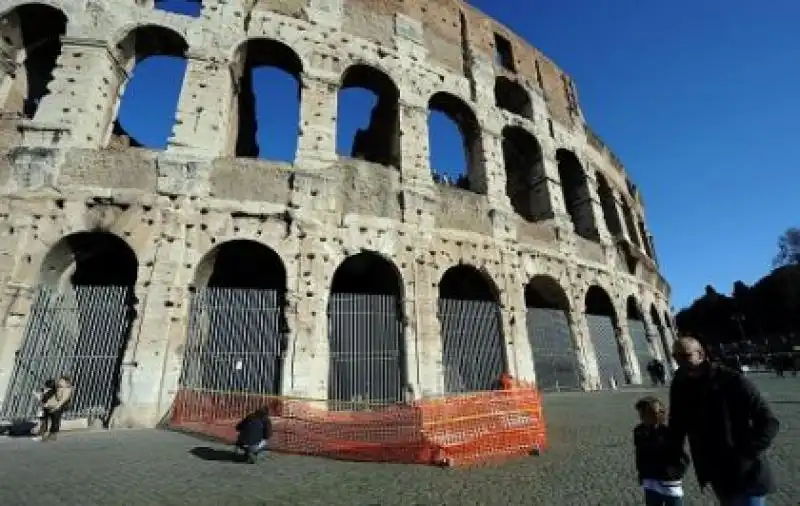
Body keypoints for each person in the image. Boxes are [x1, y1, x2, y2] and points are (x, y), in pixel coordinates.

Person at [668, 337, 780, 505]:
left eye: (685, 355)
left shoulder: (732, 380)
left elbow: (769, 421)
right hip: (716, 472)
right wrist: (674, 459)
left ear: (701, 354)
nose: (680, 361)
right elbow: (676, 424)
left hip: (745, 470)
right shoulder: (679, 384)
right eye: (676, 357)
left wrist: (748, 452)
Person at [633, 396, 689, 506]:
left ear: (656, 414)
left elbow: (683, 457)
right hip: (650, 479)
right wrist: (641, 473)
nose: (641, 418)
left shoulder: (668, 433)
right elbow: (639, 454)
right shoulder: (639, 431)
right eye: (640, 414)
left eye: (644, 414)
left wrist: (676, 472)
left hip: (668, 482)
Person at [39, 375, 73, 441]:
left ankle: (53, 433)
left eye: (61, 381)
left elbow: (62, 401)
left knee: (56, 415)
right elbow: (51, 397)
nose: (59, 382)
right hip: (54, 402)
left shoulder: (67, 390)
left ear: (66, 383)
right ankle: (44, 429)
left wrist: (55, 408)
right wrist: (46, 403)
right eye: (59, 381)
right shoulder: (56, 387)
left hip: (63, 404)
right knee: (45, 412)